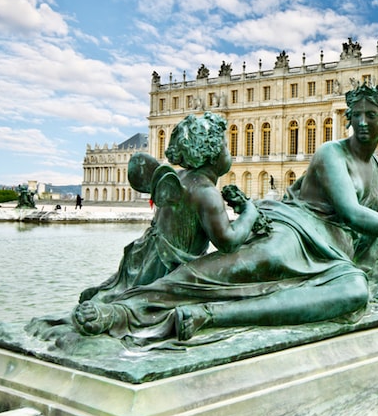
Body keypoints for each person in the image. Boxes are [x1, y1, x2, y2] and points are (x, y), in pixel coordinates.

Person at [73, 85, 378, 342]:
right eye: (359, 115)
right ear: (349, 117)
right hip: (295, 227)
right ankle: (127, 308)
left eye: (373, 115)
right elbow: (352, 213)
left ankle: (211, 316)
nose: (365, 122)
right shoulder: (331, 154)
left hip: (334, 255)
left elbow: (364, 234)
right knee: (243, 267)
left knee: (355, 290)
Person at [78, 112, 261, 304]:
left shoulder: (180, 177)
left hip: (148, 260)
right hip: (171, 271)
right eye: (225, 146)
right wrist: (250, 212)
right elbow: (228, 242)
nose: (228, 151)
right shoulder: (206, 192)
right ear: (212, 153)